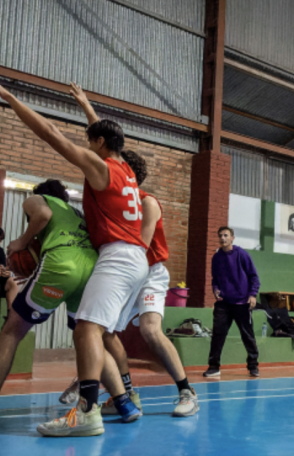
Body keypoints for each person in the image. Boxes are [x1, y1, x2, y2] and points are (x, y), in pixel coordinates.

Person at [0, 71, 149, 437]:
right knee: (94, 332)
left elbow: (51, 134)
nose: (87, 148)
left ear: (100, 143)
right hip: (132, 259)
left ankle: (88, 412)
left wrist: (10, 98)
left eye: (91, 143)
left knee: (87, 330)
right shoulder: (126, 170)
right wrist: (86, 105)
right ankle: (121, 400)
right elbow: (106, 136)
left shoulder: (100, 167)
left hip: (117, 257)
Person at [57, 83, 199, 418]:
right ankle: (126, 394)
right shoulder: (121, 185)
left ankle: (187, 391)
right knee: (103, 332)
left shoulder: (147, 203)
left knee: (149, 329)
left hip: (148, 270)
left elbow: (141, 246)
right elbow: (106, 142)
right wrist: (87, 106)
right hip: (128, 268)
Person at [0, 180, 103, 427]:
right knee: (89, 336)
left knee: (11, 331)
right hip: (91, 268)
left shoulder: (37, 199)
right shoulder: (77, 213)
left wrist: (21, 241)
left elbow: (41, 214)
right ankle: (124, 400)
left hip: (62, 265)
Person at [204, 226, 261, 378]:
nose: (223, 238)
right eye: (220, 236)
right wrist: (215, 289)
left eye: (226, 235)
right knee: (217, 335)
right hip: (223, 303)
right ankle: (214, 366)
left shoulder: (241, 254)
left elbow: (254, 277)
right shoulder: (216, 257)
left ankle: (253, 366)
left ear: (232, 238)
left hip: (242, 302)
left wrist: (253, 295)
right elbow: (215, 278)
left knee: (247, 335)